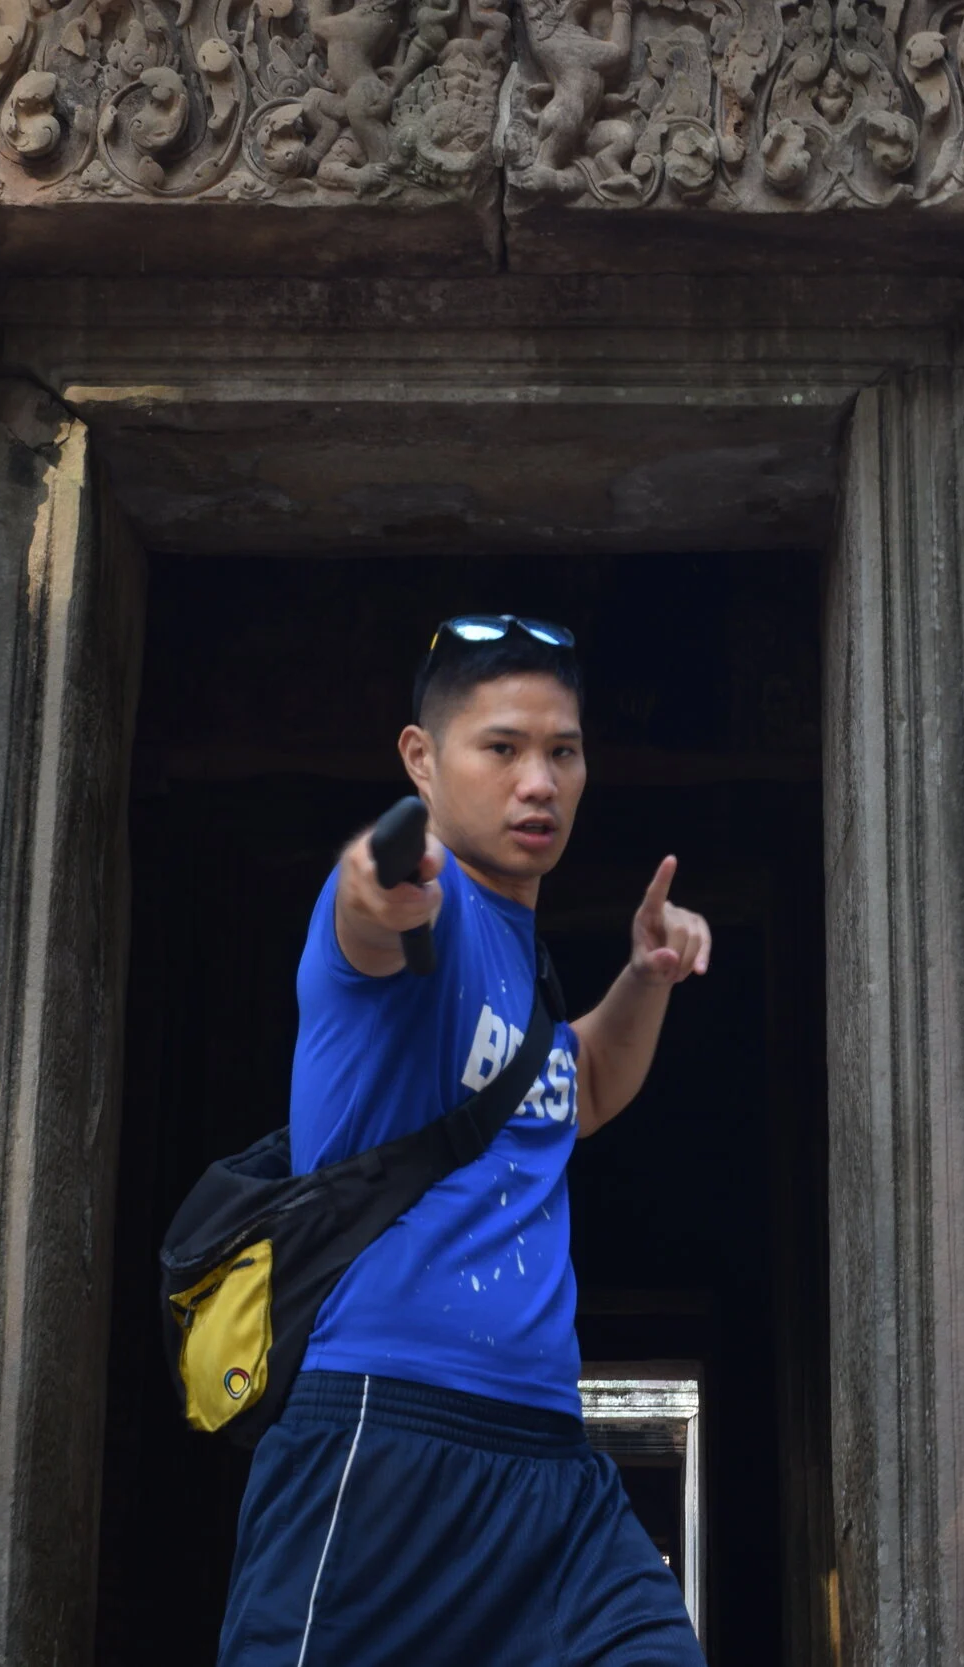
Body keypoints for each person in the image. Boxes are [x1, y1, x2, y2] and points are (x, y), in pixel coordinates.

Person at [218, 615, 713, 1667]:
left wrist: (644, 974)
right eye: (501, 747)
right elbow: (369, 908)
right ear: (422, 758)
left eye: (562, 751)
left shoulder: (524, 959)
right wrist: (380, 877)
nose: (539, 780)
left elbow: (571, 1096)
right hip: (381, 1432)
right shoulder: (420, 914)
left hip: (547, 1455)